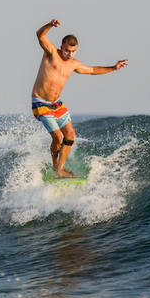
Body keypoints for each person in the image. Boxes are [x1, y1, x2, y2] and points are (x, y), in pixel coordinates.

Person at [31, 18, 128, 178]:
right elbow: (39, 35)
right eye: (67, 50)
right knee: (57, 137)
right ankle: (56, 167)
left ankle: (60, 169)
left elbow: (92, 70)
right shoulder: (51, 53)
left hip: (56, 105)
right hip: (40, 102)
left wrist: (113, 68)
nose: (70, 54)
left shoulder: (73, 64)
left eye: (73, 51)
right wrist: (50, 25)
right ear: (62, 47)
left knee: (70, 135)